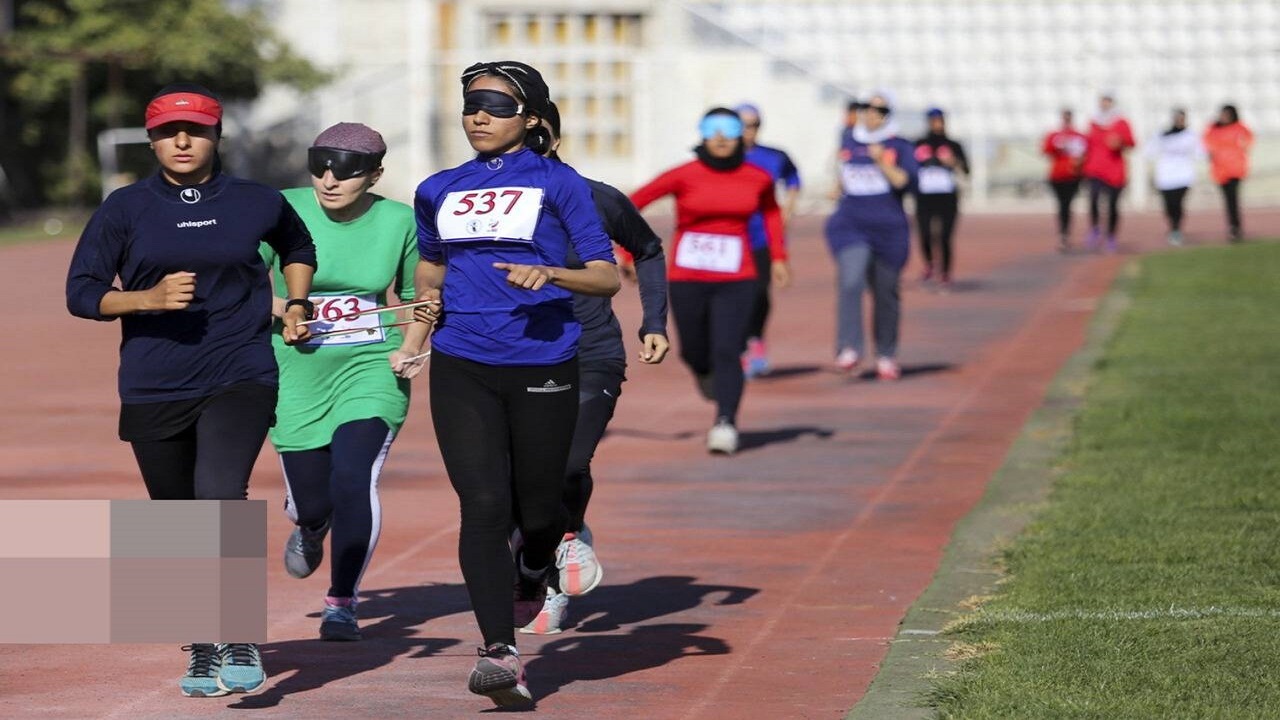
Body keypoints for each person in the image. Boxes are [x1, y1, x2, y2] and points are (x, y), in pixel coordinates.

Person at [66, 83, 317, 698]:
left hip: (240, 371)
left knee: (220, 497)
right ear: (151, 140)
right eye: (167, 132)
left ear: (216, 136)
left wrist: (297, 302)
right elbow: (81, 292)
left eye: (196, 130)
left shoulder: (257, 200)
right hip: (154, 380)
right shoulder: (125, 208)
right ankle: (203, 647)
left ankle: (238, 635)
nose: (182, 141)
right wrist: (145, 299)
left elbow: (297, 244)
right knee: (176, 522)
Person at [411, 61, 620, 707]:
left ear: (530, 118)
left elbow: (606, 276)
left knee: (537, 511)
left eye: (496, 105)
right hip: (462, 363)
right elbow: (430, 271)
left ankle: (536, 561)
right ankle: (500, 652)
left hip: (541, 360)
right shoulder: (437, 188)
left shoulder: (559, 182)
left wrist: (551, 275)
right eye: (471, 103)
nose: (478, 115)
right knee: (482, 506)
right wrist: (418, 329)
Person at [260, 122, 430, 642]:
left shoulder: (400, 220)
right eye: (320, 167)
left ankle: (341, 601)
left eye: (348, 171)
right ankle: (311, 524)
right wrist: (285, 309)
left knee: (354, 477)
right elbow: (237, 282)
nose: (330, 180)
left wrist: (411, 346)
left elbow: (419, 295)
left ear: (375, 174)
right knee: (313, 501)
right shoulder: (279, 208)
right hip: (294, 368)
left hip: (370, 365)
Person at [519, 100, 670, 635]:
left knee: (564, 464)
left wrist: (654, 321)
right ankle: (544, 575)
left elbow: (648, 249)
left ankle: (567, 539)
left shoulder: (595, 197)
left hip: (590, 353)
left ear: (554, 139)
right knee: (517, 486)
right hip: (514, 355)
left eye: (534, 134)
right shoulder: (480, 204)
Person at [630, 107, 791, 455]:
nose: (720, 137)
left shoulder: (757, 177)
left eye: (729, 130)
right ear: (702, 134)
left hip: (738, 277)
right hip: (687, 277)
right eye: (712, 129)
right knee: (694, 351)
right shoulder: (683, 174)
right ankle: (705, 374)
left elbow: (771, 213)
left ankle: (725, 423)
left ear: (741, 136)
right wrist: (628, 253)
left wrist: (779, 257)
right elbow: (631, 204)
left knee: (728, 350)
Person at [826, 92, 918, 380]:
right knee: (851, 280)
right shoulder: (849, 140)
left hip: (889, 230)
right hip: (851, 225)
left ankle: (886, 354)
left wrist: (882, 162)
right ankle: (849, 348)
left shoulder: (900, 145)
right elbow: (845, 174)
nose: (871, 114)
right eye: (866, 108)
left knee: (886, 292)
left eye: (879, 110)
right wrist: (837, 187)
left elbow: (906, 182)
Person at [735, 102, 801, 378]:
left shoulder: (774, 156)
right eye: (743, 125)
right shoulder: (722, 158)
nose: (749, 131)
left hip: (762, 236)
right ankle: (736, 348)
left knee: (760, 292)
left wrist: (788, 209)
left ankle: (755, 340)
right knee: (734, 295)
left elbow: (794, 179)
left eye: (754, 125)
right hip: (731, 238)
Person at [913, 107, 969, 288]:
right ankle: (930, 263)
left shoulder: (953, 145)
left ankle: (945, 272)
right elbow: (910, 167)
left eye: (940, 120)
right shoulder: (919, 143)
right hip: (924, 196)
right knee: (924, 234)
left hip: (947, 197)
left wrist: (953, 162)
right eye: (934, 121)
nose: (937, 124)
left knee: (945, 236)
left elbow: (966, 169)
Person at [1081, 94, 1135, 253]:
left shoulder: (1121, 122)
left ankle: (1111, 235)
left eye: (1107, 102)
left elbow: (1131, 142)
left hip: (1114, 169)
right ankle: (1095, 228)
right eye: (1103, 102)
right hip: (1095, 168)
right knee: (1093, 198)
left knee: (1112, 204)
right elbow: (1087, 143)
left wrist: (1120, 141)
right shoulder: (1093, 122)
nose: (1105, 105)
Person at [1144, 108, 1202, 246]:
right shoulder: (1163, 135)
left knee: (1178, 203)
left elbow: (1200, 153)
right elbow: (1148, 151)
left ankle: (1176, 229)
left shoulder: (1190, 135)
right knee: (1168, 205)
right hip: (1166, 177)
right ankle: (1173, 225)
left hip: (1183, 176)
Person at [1203, 104, 1254, 243]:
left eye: (1226, 115)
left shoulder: (1239, 127)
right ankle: (1234, 226)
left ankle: (1234, 227)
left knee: (1232, 198)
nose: (1223, 117)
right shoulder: (1213, 129)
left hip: (1235, 169)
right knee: (1228, 199)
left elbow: (1248, 140)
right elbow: (1207, 144)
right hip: (1220, 170)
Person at [1042, 109, 1088, 251]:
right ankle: (1063, 233)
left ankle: (1065, 233)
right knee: (1062, 204)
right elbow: (1046, 150)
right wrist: (1058, 145)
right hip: (1057, 175)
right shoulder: (1055, 135)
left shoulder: (1078, 136)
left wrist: (1079, 164)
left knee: (1067, 204)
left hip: (1073, 175)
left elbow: (1085, 153)